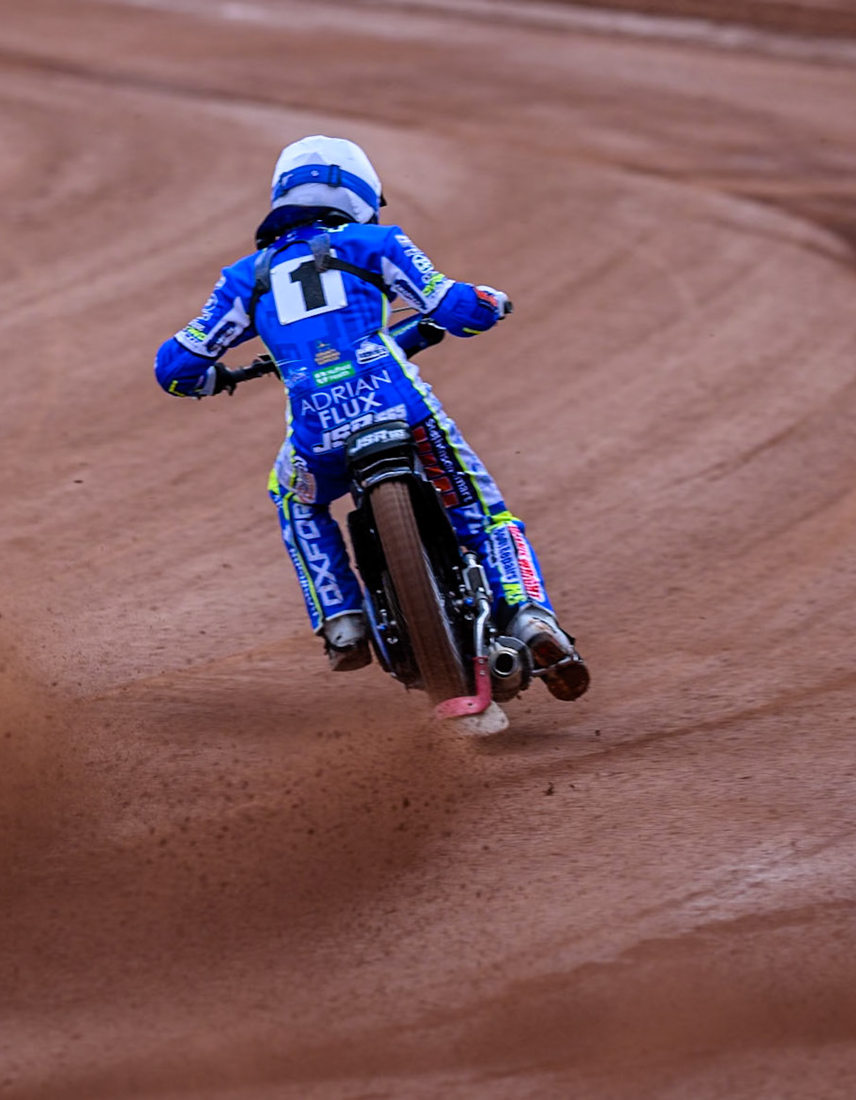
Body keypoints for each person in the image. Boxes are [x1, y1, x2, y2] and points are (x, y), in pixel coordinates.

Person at [153, 135, 588, 698]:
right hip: (402, 412)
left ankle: (342, 619)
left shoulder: (246, 278)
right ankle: (529, 617)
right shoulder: (375, 242)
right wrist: (488, 302)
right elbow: (453, 308)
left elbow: (175, 367)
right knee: (485, 516)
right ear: (358, 194)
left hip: (318, 435)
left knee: (294, 497)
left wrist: (214, 380)